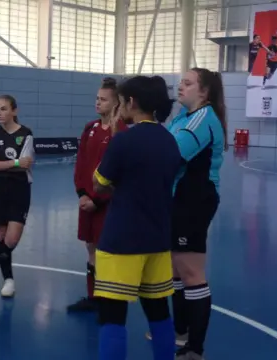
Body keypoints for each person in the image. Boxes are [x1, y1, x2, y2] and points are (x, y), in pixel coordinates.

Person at [92, 75, 181, 360]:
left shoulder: (124, 141)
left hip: (122, 240)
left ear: (131, 102)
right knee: (158, 311)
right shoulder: (170, 141)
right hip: (158, 238)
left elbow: (99, 183)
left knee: (112, 315)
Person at [166, 67, 227, 360]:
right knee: (176, 268)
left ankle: (195, 349)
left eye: (188, 84)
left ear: (204, 92)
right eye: (180, 82)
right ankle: (181, 332)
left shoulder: (203, 118)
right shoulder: (183, 116)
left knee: (191, 272)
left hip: (194, 200)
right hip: (179, 199)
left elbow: (171, 155)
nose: (181, 87)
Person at [68, 77, 126, 312]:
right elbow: (81, 164)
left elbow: (120, 173)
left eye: (103, 99)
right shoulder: (89, 128)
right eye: (97, 98)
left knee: (106, 250)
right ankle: (93, 296)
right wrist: (82, 194)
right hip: (87, 202)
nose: (98, 102)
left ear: (115, 103)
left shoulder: (121, 132)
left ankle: (108, 298)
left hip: (108, 204)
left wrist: (99, 199)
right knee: (91, 247)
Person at [0, 95, 34, 298]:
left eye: (3, 109)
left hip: (20, 189)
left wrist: (15, 164)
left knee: (11, 239)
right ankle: (9, 280)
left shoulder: (26, 134)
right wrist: (16, 163)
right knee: (0, 235)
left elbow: (26, 163)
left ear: (14, 111)